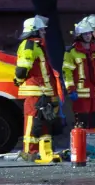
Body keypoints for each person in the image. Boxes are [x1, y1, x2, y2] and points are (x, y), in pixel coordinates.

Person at [13, 16, 62, 161]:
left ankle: (31, 152)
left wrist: (17, 81)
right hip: (41, 92)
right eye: (41, 30)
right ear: (33, 31)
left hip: (36, 93)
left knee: (35, 122)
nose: (43, 32)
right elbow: (23, 69)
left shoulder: (33, 46)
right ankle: (40, 151)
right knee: (40, 123)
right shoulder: (33, 46)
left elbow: (21, 70)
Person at [62, 14, 95, 131]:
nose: (88, 36)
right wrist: (71, 89)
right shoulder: (71, 52)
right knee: (82, 124)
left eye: (89, 33)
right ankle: (83, 148)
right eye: (85, 34)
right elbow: (67, 73)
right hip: (81, 95)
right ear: (79, 35)